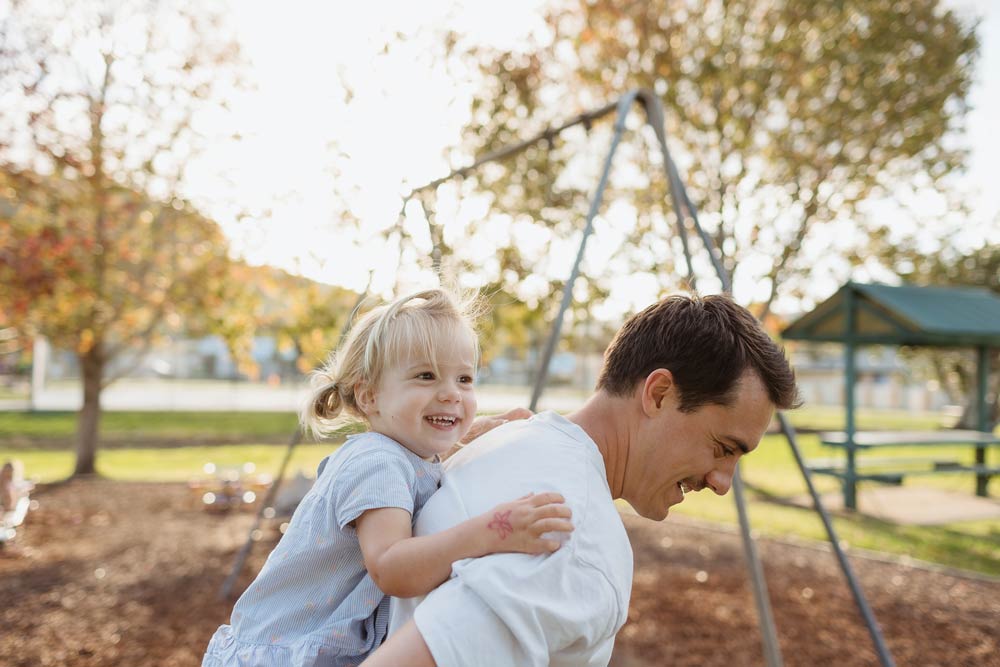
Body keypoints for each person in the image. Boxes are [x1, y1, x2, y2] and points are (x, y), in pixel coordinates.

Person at [362, 293, 800, 667]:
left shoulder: (509, 437)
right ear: (659, 394)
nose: (722, 482)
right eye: (724, 447)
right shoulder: (574, 538)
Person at [202, 289, 573, 667]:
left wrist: (483, 429)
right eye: (426, 375)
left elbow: (428, 456)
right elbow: (392, 567)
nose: (451, 394)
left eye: (464, 379)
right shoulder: (376, 464)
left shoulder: (399, 452)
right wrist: (493, 530)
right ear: (369, 397)